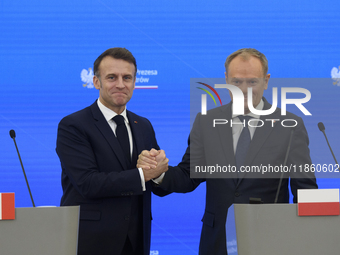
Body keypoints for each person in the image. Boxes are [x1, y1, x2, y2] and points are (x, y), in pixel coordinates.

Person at [137, 48, 318, 255]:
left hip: (272, 240)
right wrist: (159, 172)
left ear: (266, 81)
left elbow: (305, 189)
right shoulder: (205, 122)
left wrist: (307, 238)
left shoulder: (290, 125)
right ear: (226, 80)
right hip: (217, 241)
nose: (244, 89)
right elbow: (188, 175)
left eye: (252, 82)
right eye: (237, 82)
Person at [56, 47, 169, 255]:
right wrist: (144, 174)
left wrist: (160, 170)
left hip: (136, 241)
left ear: (135, 82)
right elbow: (88, 183)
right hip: (91, 242)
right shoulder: (73, 125)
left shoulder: (143, 125)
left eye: (127, 77)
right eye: (111, 77)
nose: (120, 84)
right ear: (96, 82)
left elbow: (157, 184)